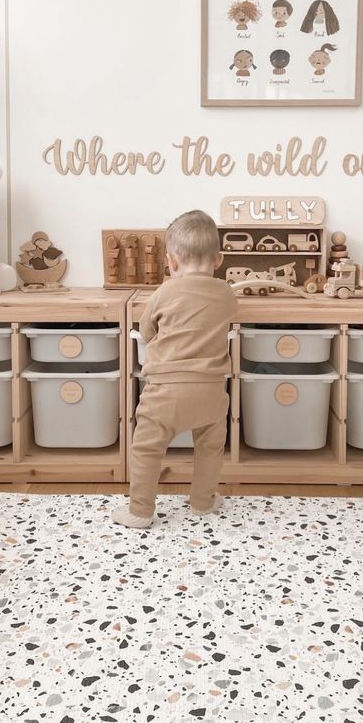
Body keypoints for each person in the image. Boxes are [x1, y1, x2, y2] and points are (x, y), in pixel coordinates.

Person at [112, 211, 237, 529]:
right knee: (210, 447)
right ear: (218, 259)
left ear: (170, 261)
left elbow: (147, 330)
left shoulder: (163, 293)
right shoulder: (226, 294)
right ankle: (202, 502)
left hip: (165, 391)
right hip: (210, 390)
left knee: (147, 448)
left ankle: (140, 511)